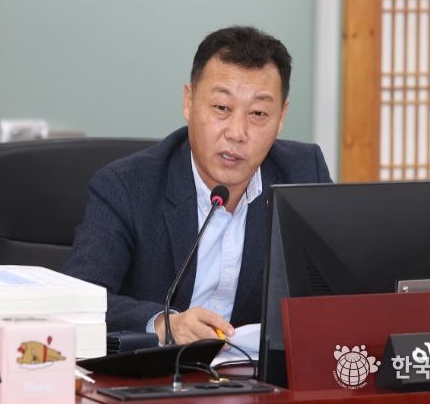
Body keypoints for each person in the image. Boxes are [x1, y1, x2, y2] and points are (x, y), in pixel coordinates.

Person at [63, 26, 331, 344]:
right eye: (222, 108)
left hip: (254, 373)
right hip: (157, 371)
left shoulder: (304, 173)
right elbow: (79, 300)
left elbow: (338, 292)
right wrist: (163, 323)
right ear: (189, 102)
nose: (237, 132)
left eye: (259, 113)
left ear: (281, 117)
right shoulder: (126, 187)